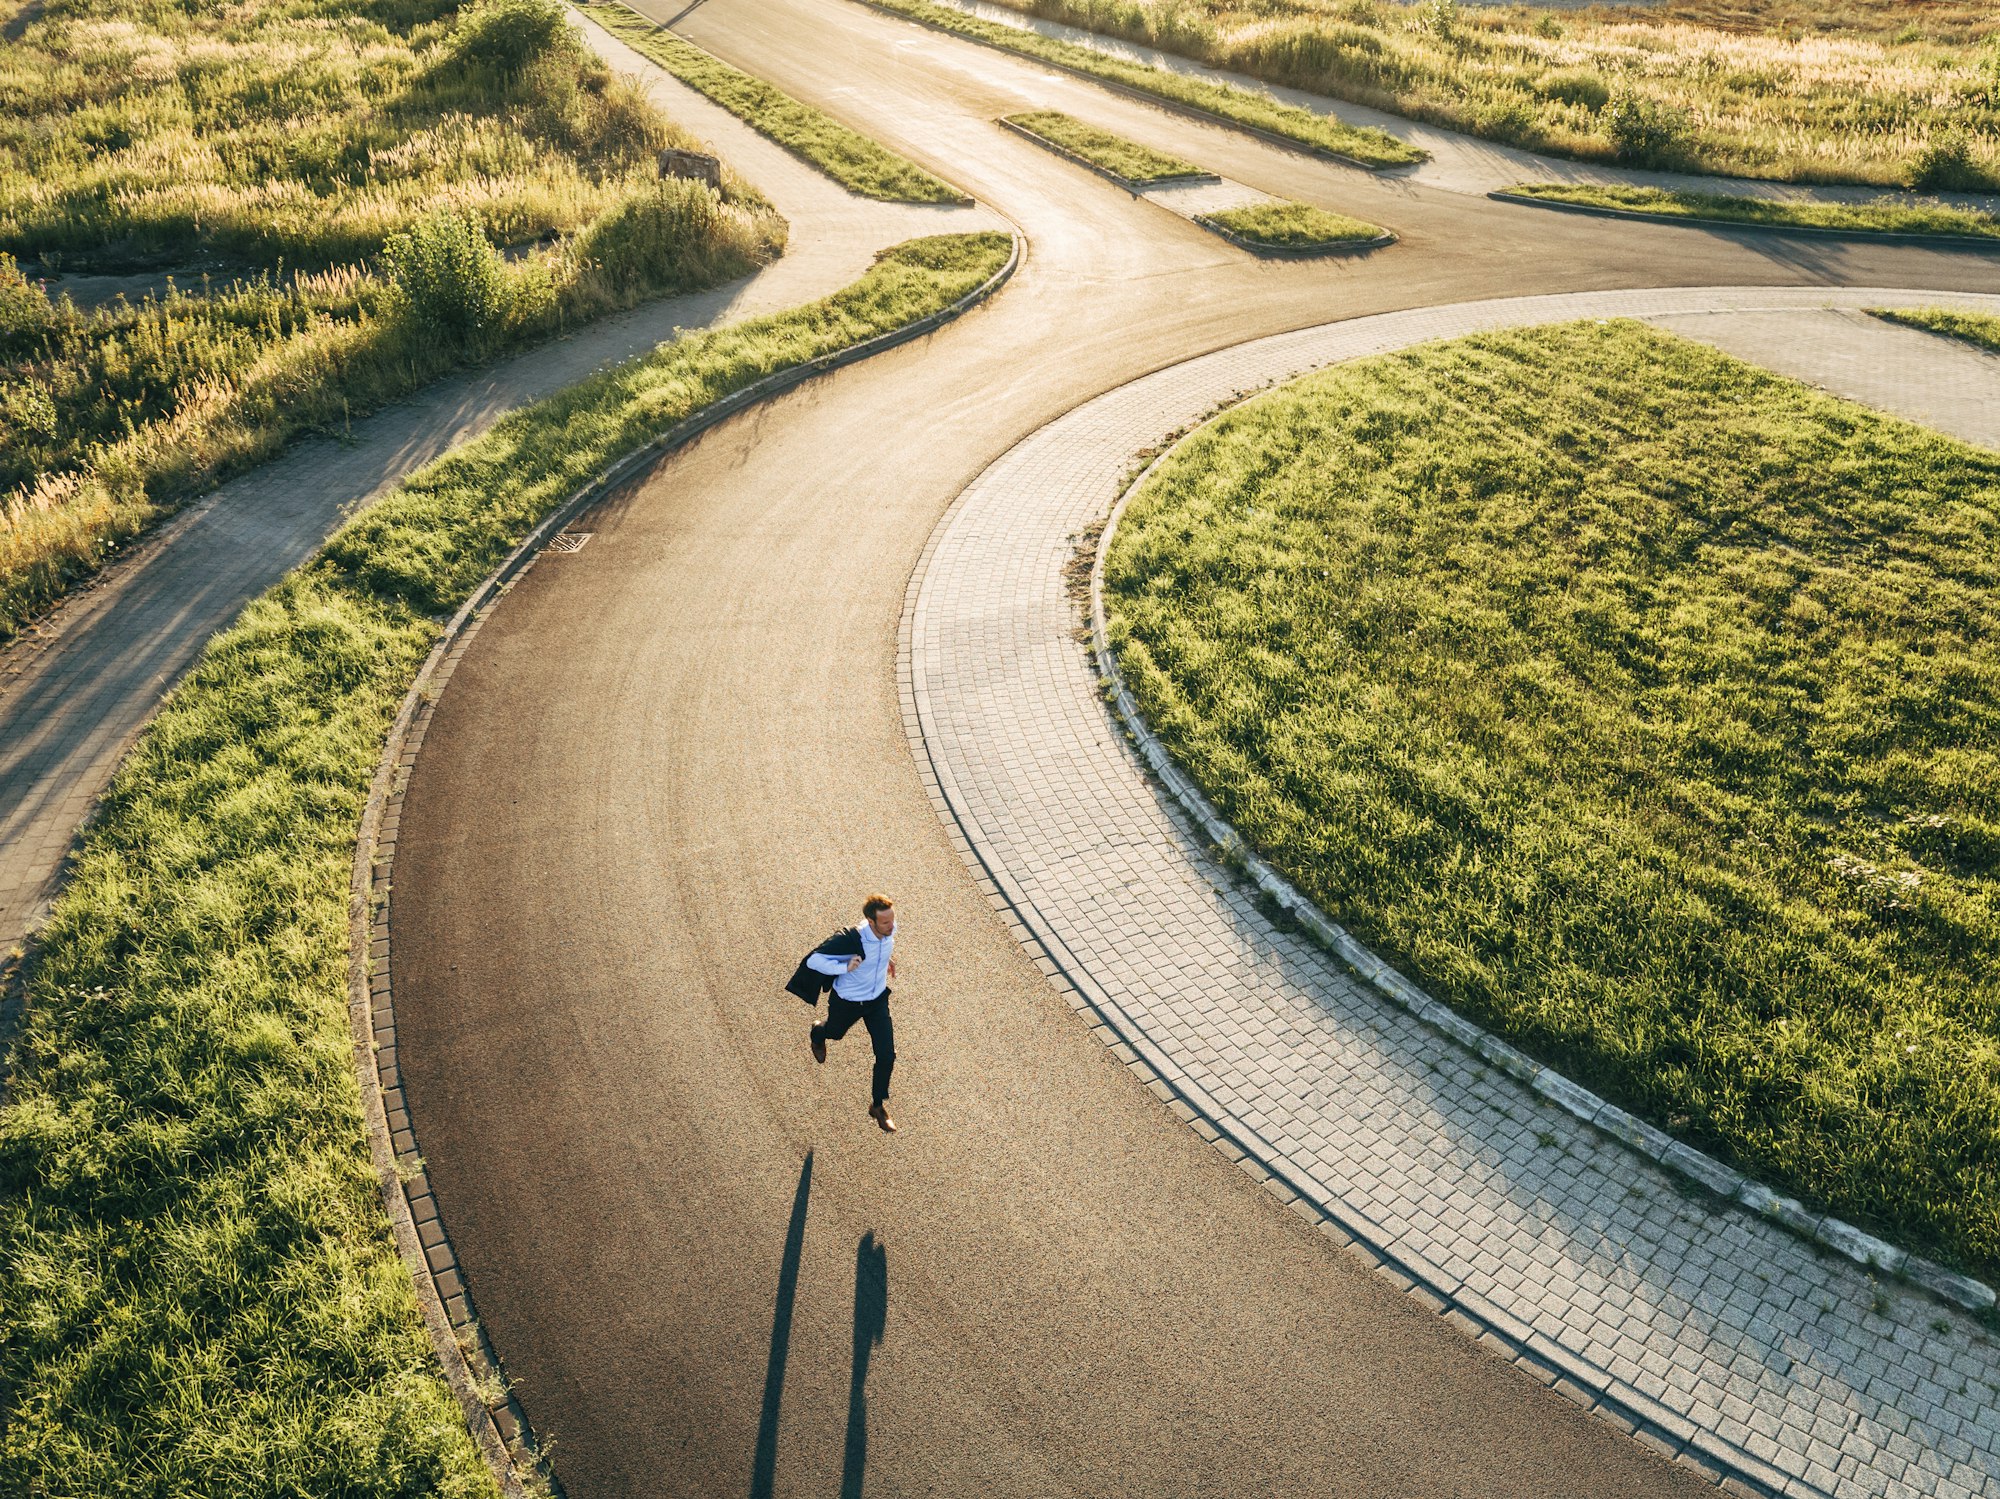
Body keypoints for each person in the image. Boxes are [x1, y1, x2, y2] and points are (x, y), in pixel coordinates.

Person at [803, 894, 899, 1132]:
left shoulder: (888, 930)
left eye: (892, 920)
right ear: (870, 920)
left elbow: (883, 945)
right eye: (885, 923)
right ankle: (818, 1032)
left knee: (886, 1055)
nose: (891, 926)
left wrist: (886, 959)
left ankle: (877, 1105)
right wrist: (844, 967)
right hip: (848, 1001)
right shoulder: (851, 939)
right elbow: (814, 961)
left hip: (876, 1001)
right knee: (834, 1033)